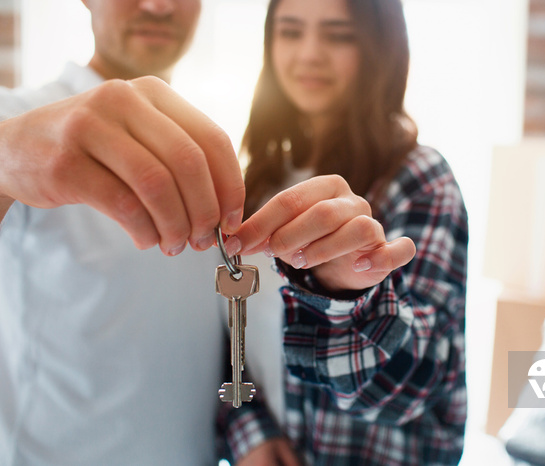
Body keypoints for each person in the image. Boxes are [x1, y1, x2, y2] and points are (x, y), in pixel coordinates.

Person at [218, 0, 469, 464]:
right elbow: (225, 346)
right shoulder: (251, 184)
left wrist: (344, 292)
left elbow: (417, 381)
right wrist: (248, 430)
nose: (310, 53)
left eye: (338, 35)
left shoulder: (419, 178)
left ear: (379, 49)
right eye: (291, 31)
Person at [0, 1, 246, 464]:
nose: (159, 5)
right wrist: (5, 154)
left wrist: (252, 432)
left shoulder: (212, 149)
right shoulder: (22, 116)